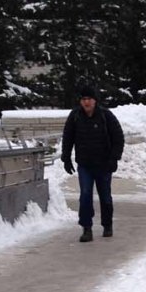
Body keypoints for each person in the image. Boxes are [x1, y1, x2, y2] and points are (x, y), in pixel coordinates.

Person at [60, 82, 125, 243]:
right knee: (85, 195)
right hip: (85, 165)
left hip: (104, 164)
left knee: (105, 196)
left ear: (95, 100)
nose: (86, 102)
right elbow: (68, 137)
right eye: (83, 99)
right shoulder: (75, 116)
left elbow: (118, 138)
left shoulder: (105, 116)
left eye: (89, 99)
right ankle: (86, 228)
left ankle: (107, 224)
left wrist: (114, 158)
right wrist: (66, 157)